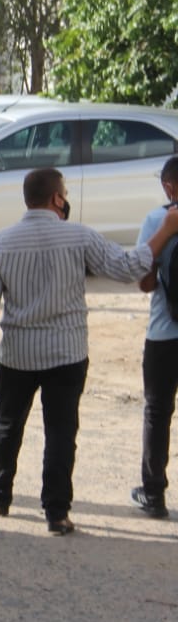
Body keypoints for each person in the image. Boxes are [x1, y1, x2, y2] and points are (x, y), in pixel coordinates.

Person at [0, 167, 178, 535]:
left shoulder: (3, 241)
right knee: (61, 432)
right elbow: (128, 268)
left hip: (17, 354)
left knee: (8, 423)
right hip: (67, 354)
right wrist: (166, 231)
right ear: (57, 199)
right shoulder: (79, 237)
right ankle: (57, 513)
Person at [130, 155, 178, 519]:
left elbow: (144, 282)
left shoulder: (155, 219)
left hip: (164, 335)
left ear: (168, 186)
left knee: (158, 412)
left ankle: (153, 495)